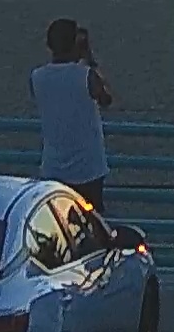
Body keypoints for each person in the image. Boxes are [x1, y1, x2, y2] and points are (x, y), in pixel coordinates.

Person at [30, 18, 112, 211]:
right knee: (91, 220)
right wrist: (89, 58)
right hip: (88, 168)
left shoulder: (37, 77)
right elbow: (106, 99)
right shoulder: (86, 76)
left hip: (53, 167)